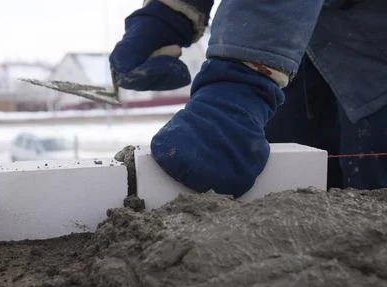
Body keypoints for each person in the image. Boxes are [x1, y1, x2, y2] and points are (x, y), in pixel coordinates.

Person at [109, 0, 387, 197]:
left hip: (372, 48)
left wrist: (243, 75)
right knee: (291, 188)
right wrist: (170, 14)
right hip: (303, 40)